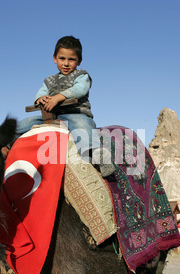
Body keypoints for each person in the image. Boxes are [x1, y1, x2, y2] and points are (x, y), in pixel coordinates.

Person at [17, 36, 115, 176]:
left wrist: (58, 97)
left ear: (79, 61)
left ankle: (97, 156)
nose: (66, 63)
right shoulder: (49, 80)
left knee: (82, 126)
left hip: (75, 114)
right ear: (54, 58)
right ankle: (5, 148)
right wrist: (41, 98)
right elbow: (40, 93)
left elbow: (80, 89)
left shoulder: (81, 75)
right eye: (62, 58)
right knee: (23, 124)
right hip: (52, 116)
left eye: (71, 59)